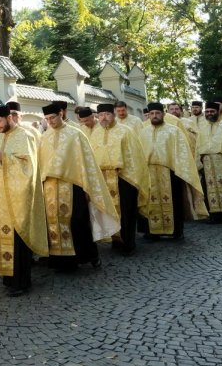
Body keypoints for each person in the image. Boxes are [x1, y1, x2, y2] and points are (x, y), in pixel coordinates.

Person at [38, 104, 119, 271]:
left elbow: (87, 162)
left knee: (78, 223)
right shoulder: (44, 137)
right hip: (51, 187)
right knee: (54, 223)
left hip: (73, 185)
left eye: (52, 117)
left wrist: (87, 185)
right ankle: (61, 261)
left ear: (61, 114)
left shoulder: (76, 135)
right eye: (47, 119)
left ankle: (90, 255)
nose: (50, 122)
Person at [0, 105, 46, 296]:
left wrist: (5, 158)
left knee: (17, 237)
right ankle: (8, 277)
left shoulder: (25, 136)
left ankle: (22, 282)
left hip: (17, 197)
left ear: (10, 118)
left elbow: (30, 167)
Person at [88, 103, 150, 256]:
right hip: (103, 178)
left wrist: (127, 172)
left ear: (113, 114)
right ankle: (115, 239)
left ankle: (129, 243)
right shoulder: (95, 133)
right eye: (101, 115)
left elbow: (135, 156)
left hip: (124, 177)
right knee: (108, 210)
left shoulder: (126, 131)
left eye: (107, 114)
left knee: (127, 211)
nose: (104, 117)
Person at [138, 103, 205, 239]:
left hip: (170, 172)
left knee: (174, 201)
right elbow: (138, 154)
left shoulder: (174, 131)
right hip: (149, 172)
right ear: (149, 115)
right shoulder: (143, 132)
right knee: (150, 201)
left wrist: (181, 170)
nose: (155, 116)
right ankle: (152, 232)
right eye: (152, 114)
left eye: (157, 113)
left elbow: (182, 152)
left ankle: (176, 231)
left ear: (163, 114)